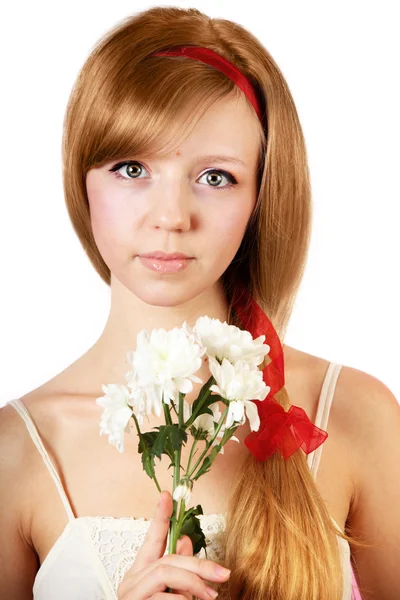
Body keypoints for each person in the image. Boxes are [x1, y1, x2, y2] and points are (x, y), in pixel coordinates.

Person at [1, 5, 399, 600]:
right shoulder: (18, 454)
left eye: (216, 177)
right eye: (132, 167)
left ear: (263, 194)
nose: (170, 218)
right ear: (80, 180)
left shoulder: (352, 415)